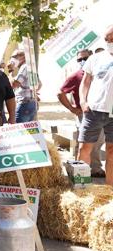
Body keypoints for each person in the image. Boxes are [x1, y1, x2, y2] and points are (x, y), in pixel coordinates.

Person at [58, 49, 105, 178]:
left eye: (85, 58)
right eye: (79, 59)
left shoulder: (102, 73)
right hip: (84, 115)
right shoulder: (77, 75)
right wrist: (72, 109)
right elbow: (60, 93)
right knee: (85, 143)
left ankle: (94, 168)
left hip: (102, 113)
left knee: (98, 142)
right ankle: (82, 171)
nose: (82, 61)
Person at [78, 25, 113, 186]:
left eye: (112, 39)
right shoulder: (96, 58)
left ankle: (110, 191)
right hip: (94, 110)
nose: (109, 42)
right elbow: (85, 82)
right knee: (84, 148)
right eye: (106, 39)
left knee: (112, 152)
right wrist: (83, 102)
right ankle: (81, 188)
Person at [10, 49, 41, 123]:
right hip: (31, 103)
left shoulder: (24, 67)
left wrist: (11, 71)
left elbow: (14, 85)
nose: (12, 59)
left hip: (24, 104)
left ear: (23, 57)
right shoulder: (30, 67)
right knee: (28, 131)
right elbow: (39, 84)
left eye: (14, 56)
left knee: (19, 130)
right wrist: (31, 91)